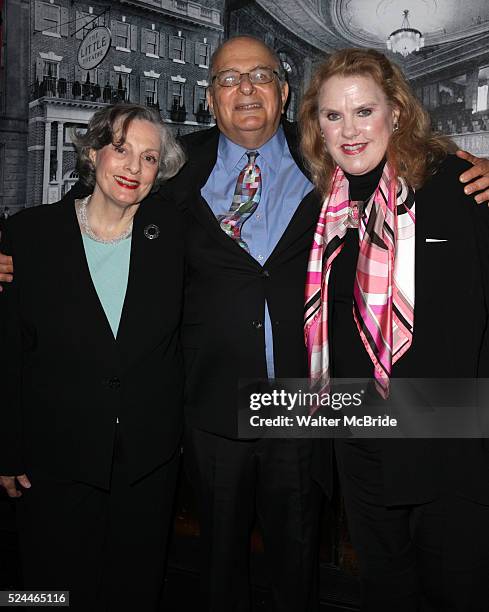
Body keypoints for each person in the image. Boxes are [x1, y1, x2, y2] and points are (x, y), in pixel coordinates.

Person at [1, 37, 489, 612]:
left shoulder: (327, 164)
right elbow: (98, 205)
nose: (246, 89)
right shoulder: (175, 173)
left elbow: (419, 182)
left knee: (303, 566)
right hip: (212, 407)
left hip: (316, 408)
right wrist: (15, 253)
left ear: (283, 93)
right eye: (229, 80)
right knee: (213, 572)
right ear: (211, 98)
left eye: (260, 75)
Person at [300, 48, 489, 611]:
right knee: (386, 591)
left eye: (365, 111)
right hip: (359, 437)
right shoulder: (322, 207)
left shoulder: (459, 185)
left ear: (397, 112)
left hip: (449, 439)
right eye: (333, 115)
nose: (350, 130)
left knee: (459, 592)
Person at [0, 103, 186, 611]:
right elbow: (10, 351)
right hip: (54, 459)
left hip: (146, 463)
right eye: (121, 149)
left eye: (149, 158)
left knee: (133, 591)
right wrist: (6, 452)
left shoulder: (174, 234)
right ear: (93, 152)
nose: (132, 167)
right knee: (45, 592)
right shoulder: (29, 235)